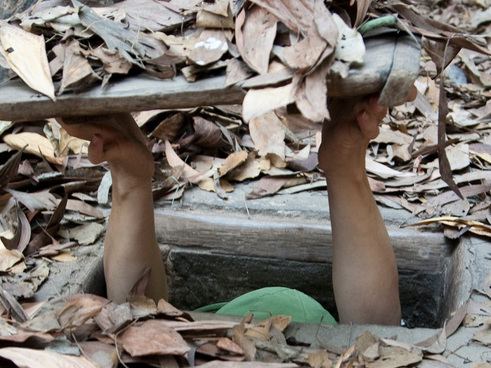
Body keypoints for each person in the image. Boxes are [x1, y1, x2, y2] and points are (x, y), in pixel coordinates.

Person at [58, 95, 401, 326]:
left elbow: (135, 322)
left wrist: (130, 185)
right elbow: (379, 340)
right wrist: (346, 170)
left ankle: (347, 169)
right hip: (276, 347)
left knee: (142, 330)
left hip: (199, 350)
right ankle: (347, 170)